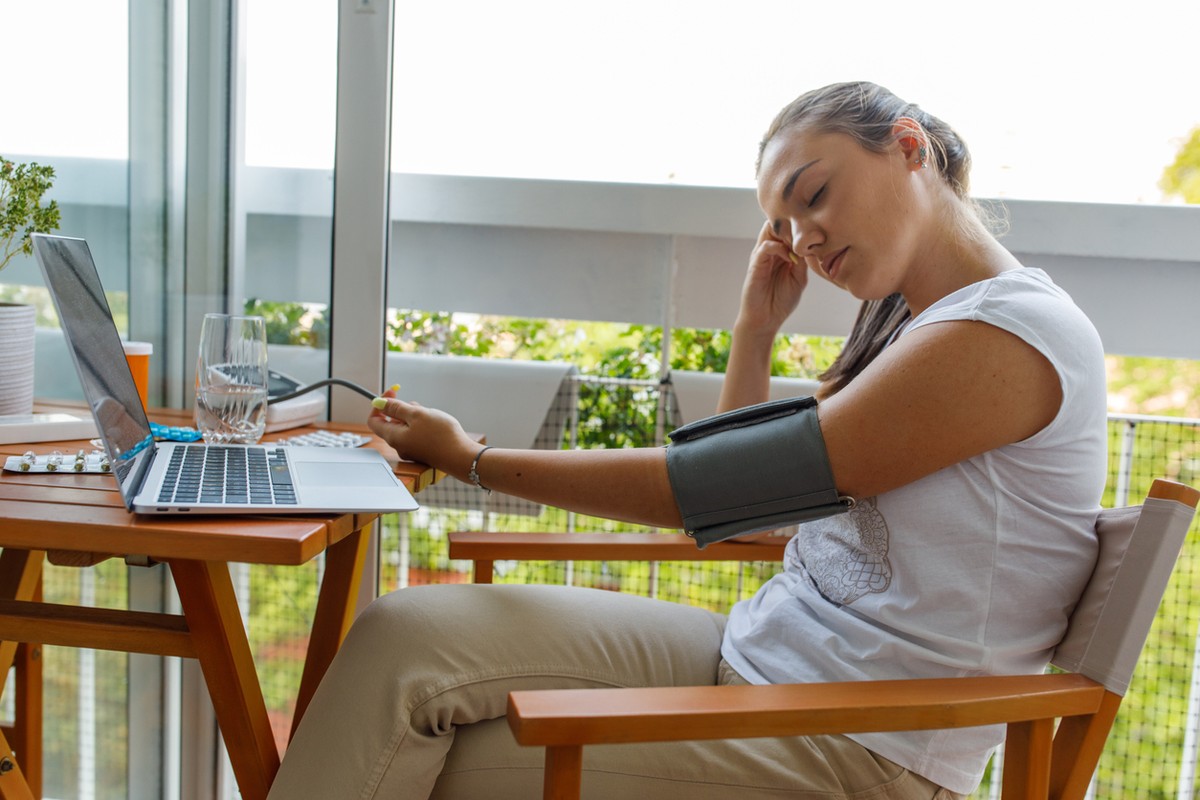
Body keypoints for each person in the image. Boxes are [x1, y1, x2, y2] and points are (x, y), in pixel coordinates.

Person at [267, 81, 1107, 799]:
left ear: (908, 147)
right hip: (762, 657)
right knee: (403, 633)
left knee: (436, 759)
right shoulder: (916, 328)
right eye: (787, 226)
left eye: (814, 196)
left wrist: (473, 461)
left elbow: (708, 490)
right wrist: (754, 332)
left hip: (861, 743)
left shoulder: (1005, 334)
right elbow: (748, 514)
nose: (806, 241)